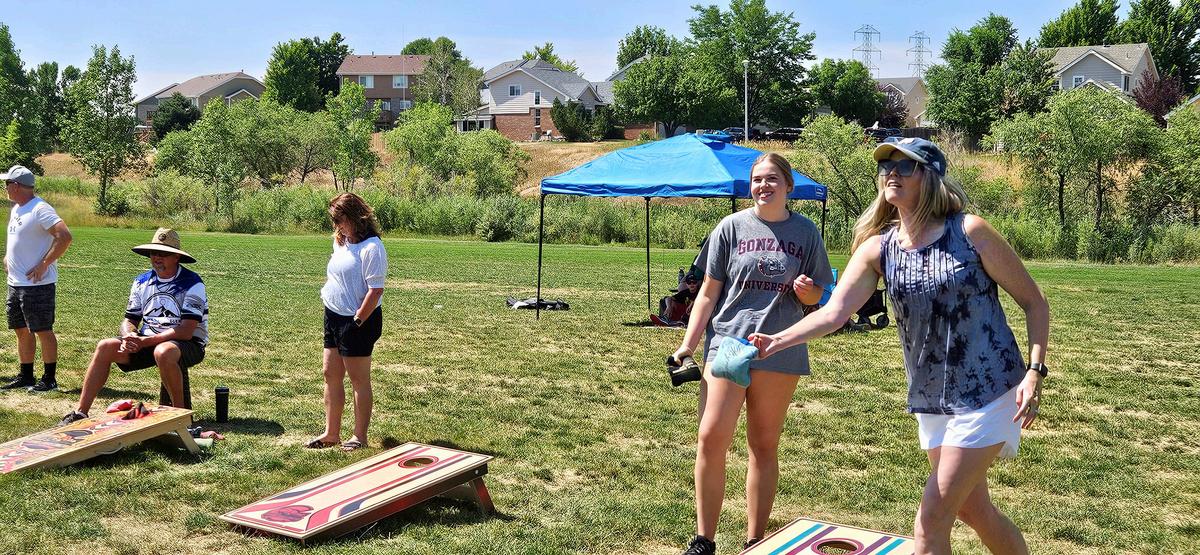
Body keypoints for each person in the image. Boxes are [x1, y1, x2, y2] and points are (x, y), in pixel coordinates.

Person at [749, 138, 1049, 555]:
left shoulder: (970, 232)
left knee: (930, 522)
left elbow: (1034, 302)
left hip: (990, 391)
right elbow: (834, 313)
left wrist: (1035, 371)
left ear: (930, 176)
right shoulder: (879, 248)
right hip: (932, 398)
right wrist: (778, 340)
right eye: (885, 165)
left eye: (905, 166)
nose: (891, 172)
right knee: (974, 510)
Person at [671, 153, 833, 555]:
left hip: (780, 348)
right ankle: (704, 540)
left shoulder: (806, 232)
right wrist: (688, 344)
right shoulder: (730, 227)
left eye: (772, 179)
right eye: (758, 179)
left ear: (788, 186)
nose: (764, 185)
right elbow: (707, 293)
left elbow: (819, 296)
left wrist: (807, 291)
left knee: (763, 445)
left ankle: (755, 541)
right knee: (711, 438)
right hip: (727, 343)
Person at [59, 228, 208, 426]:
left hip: (188, 344)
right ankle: (81, 412)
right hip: (147, 342)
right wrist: (129, 335)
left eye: (163, 253)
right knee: (105, 346)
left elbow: (186, 331)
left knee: (164, 351)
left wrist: (145, 341)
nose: (157, 257)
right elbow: (129, 319)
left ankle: (180, 419)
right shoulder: (141, 281)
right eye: (153, 253)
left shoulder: (193, 283)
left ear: (176, 257)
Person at [306, 193, 387, 452]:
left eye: (340, 219)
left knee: (358, 379)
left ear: (355, 217)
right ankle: (331, 433)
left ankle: (359, 437)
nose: (337, 225)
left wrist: (358, 320)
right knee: (330, 373)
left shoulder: (372, 247)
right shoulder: (340, 241)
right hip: (333, 315)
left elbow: (375, 290)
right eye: (334, 220)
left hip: (358, 320)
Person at [4, 165, 72, 393]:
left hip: (36, 285)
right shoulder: (17, 208)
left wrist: (44, 264)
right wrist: (8, 257)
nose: (5, 188)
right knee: (21, 329)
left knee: (43, 330)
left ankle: (49, 379)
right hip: (16, 283)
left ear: (15, 185)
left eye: (6, 184)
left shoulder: (40, 208)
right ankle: (26, 375)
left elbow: (64, 236)